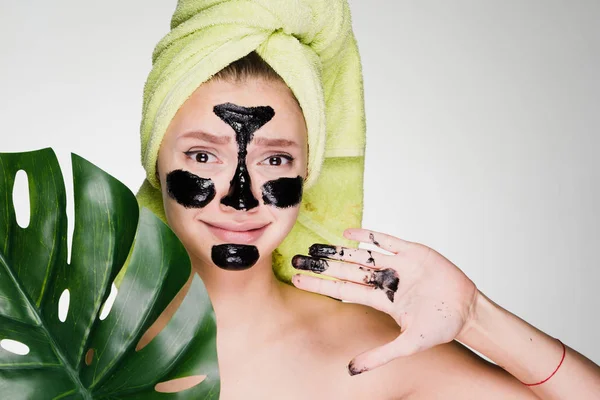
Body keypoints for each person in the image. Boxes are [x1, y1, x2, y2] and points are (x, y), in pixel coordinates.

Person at [133, 0, 600, 398]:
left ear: (308, 171)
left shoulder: (370, 351)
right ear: (156, 161)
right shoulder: (75, 351)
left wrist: (477, 317)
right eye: (202, 154)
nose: (242, 197)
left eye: (274, 160)